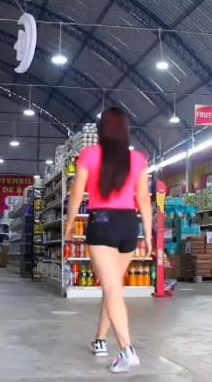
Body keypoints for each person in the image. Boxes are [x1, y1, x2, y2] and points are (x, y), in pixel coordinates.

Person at [65, 107, 152, 373]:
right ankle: (100, 340)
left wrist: (69, 225)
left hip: (101, 223)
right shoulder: (138, 159)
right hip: (129, 224)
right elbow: (144, 201)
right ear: (126, 131)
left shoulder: (89, 155)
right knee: (113, 288)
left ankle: (127, 351)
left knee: (113, 290)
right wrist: (147, 233)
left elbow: (77, 195)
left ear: (101, 130)